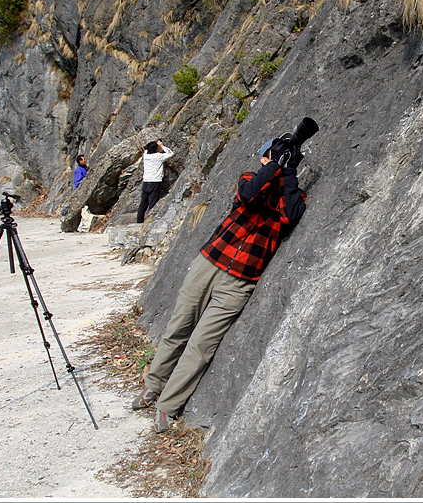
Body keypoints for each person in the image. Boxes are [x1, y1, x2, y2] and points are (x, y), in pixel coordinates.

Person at [132, 133, 308, 433]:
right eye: (271, 156)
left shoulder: (291, 194)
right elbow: (250, 195)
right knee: (178, 328)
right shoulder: (250, 177)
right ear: (264, 158)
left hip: (239, 283)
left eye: (279, 158)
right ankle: (154, 384)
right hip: (208, 264)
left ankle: (168, 405)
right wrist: (275, 166)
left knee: (201, 345)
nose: (275, 162)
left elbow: (291, 215)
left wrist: (288, 171)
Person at [137, 139, 174, 223]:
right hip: (155, 182)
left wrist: (153, 145)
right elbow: (170, 153)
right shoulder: (159, 156)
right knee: (152, 204)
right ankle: (150, 222)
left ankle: (139, 222)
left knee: (143, 204)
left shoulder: (145, 156)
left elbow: (146, 150)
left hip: (146, 182)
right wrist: (161, 145)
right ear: (156, 149)